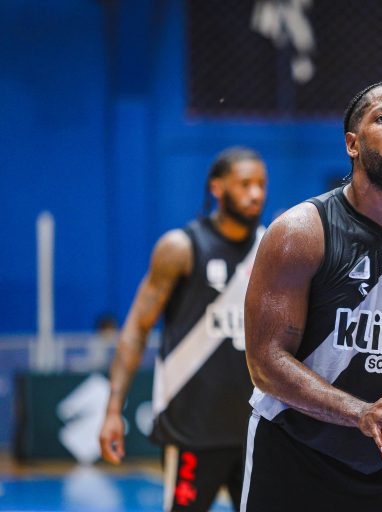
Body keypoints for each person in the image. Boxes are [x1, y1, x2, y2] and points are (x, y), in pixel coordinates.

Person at [241, 81, 382, 511]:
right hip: (294, 456)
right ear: (352, 144)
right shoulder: (300, 233)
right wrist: (359, 412)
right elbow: (265, 362)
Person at [98, 147, 268, 511]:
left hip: (255, 428)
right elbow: (136, 328)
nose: (255, 194)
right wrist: (113, 409)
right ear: (217, 188)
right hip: (191, 430)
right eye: (244, 184)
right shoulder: (180, 247)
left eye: (261, 184)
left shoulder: (271, 249)